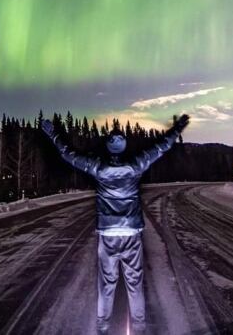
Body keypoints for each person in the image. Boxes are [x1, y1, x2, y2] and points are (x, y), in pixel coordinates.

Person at [41, 114, 190, 334]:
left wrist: (53, 134)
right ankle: (139, 328)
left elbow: (68, 154)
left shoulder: (98, 167)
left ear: (108, 147)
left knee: (106, 285)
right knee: (134, 284)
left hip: (108, 235)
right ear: (124, 147)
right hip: (131, 233)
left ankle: (102, 328)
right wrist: (176, 129)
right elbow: (160, 147)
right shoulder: (135, 165)